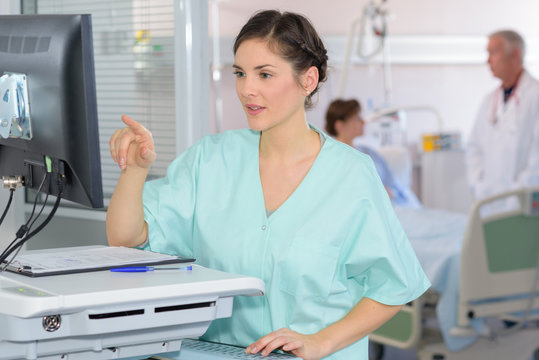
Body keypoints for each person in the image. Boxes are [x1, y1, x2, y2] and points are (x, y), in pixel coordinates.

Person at [107, 10, 429, 360]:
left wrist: (322, 342)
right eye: (240, 73)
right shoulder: (210, 160)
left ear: (308, 80)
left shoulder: (350, 175)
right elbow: (126, 239)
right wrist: (135, 171)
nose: (247, 89)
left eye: (265, 74)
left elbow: (395, 286)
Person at [466, 30, 539, 206]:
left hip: (522, 203)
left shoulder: (535, 97)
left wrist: (517, 194)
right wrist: (479, 185)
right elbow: (474, 147)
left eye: (493, 53)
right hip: (488, 202)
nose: (488, 60)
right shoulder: (489, 101)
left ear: (514, 55)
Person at [325, 98, 421, 208]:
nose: (363, 122)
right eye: (357, 118)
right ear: (339, 126)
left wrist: (389, 193)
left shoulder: (369, 153)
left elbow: (394, 186)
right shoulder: (329, 158)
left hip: (390, 206)